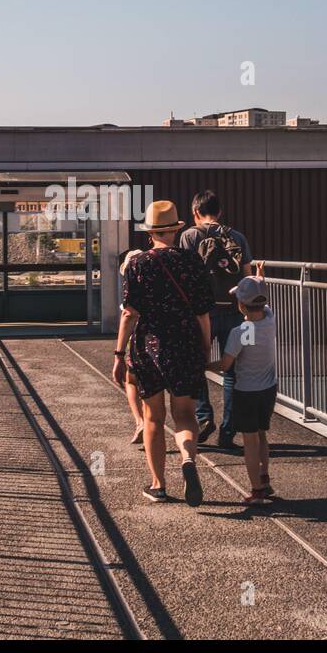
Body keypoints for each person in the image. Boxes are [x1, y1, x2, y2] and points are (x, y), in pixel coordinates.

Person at [113, 200, 215, 505]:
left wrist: (119, 354)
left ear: (151, 232)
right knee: (184, 415)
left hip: (149, 347)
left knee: (153, 417)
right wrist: (204, 347)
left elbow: (129, 314)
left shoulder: (138, 264)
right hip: (185, 344)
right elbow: (202, 314)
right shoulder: (192, 261)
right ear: (175, 230)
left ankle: (158, 485)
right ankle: (187, 460)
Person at [179, 189, 252, 448]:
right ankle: (228, 431)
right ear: (219, 212)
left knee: (196, 365)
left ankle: (203, 417)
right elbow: (247, 278)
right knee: (233, 373)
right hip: (234, 311)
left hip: (201, 314)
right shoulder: (238, 237)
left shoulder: (189, 236)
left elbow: (185, 275)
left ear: (196, 212)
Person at [206, 276, 278, 505]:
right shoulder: (270, 318)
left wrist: (204, 366)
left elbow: (226, 365)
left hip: (246, 391)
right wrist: (260, 278)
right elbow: (262, 303)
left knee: (249, 441)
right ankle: (264, 480)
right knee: (261, 434)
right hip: (268, 389)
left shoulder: (240, 332)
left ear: (240, 305)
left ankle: (256, 491)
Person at [118, 248, 146, 445]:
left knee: (131, 380)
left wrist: (118, 353)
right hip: (161, 339)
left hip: (137, 340)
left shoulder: (131, 288)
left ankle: (140, 421)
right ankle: (151, 423)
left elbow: (128, 315)